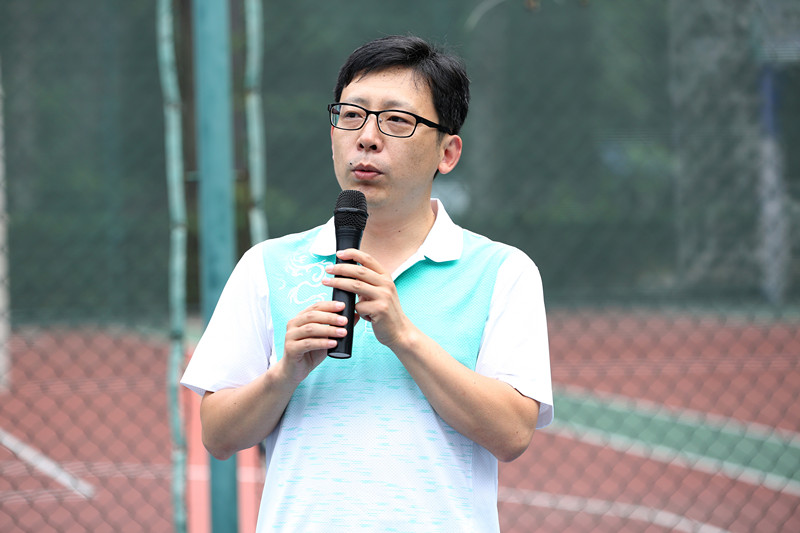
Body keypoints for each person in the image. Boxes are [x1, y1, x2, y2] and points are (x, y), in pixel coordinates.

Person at [181, 34, 553, 532]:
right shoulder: (267, 265)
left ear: (447, 153)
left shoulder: (502, 271)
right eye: (352, 115)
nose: (367, 137)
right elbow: (218, 434)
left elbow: (512, 434)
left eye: (396, 120)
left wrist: (404, 337)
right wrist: (284, 373)